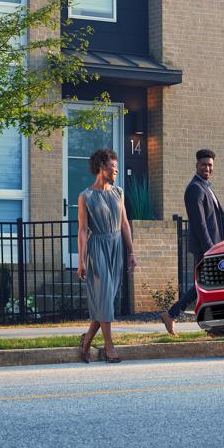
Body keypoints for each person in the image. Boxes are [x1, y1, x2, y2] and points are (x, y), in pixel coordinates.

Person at [78, 149, 137, 363]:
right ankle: (109, 346)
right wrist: (81, 260)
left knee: (107, 300)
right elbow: (83, 230)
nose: (116, 171)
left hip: (116, 248)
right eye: (113, 167)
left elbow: (124, 224)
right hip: (97, 249)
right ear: (102, 167)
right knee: (104, 298)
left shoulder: (118, 192)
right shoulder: (86, 196)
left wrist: (131, 251)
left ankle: (86, 341)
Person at [160, 149, 224, 334]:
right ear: (196, 165)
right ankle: (206, 325)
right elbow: (200, 224)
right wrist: (210, 249)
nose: (207, 168)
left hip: (214, 246)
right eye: (204, 164)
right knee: (205, 286)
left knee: (206, 286)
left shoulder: (206, 187)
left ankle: (174, 315)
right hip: (205, 247)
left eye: (210, 165)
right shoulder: (195, 188)